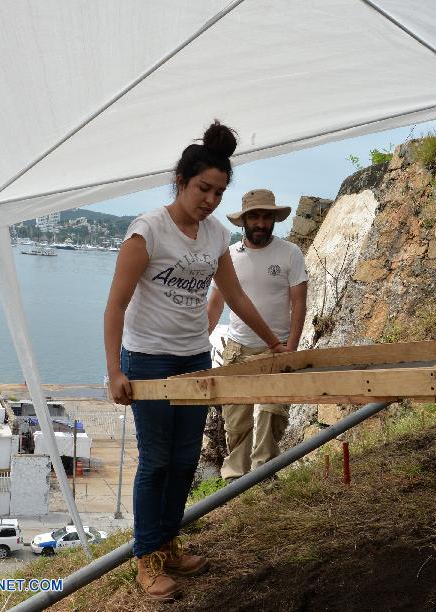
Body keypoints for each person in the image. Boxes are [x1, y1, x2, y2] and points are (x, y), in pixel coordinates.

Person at [103, 121, 288, 601]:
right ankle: (146, 560)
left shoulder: (214, 237)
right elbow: (116, 305)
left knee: (185, 460)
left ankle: (168, 545)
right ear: (181, 181)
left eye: (219, 192)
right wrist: (114, 371)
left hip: (194, 357)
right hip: (147, 358)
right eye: (203, 188)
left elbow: (235, 297)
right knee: (156, 462)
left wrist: (273, 342)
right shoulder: (147, 232)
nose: (210, 199)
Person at [206, 189, 308, 481]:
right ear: (244, 221)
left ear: (274, 219)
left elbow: (299, 302)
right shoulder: (230, 259)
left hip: (277, 351)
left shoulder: (289, 253)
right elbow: (215, 305)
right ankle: (235, 480)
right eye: (255, 217)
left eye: (266, 217)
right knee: (235, 421)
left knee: (271, 413)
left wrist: (291, 347)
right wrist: (198, 343)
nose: (261, 223)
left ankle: (265, 476)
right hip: (238, 349)